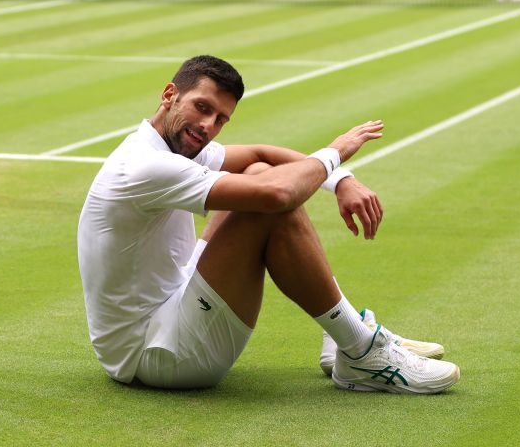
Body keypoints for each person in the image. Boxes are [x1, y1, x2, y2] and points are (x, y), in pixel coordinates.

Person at [78, 56, 460, 394]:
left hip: (165, 313)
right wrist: (336, 152)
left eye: (220, 119)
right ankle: (360, 350)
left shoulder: (174, 145)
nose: (208, 126)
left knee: (259, 172)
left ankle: (343, 337)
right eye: (201, 107)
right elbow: (277, 195)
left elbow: (261, 156)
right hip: (158, 358)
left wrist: (343, 179)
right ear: (169, 94)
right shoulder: (145, 165)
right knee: (272, 201)